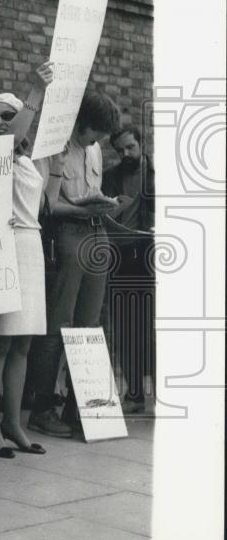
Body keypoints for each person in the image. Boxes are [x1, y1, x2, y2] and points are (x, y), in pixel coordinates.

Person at [25, 90, 122, 438]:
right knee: (58, 324)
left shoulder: (93, 149)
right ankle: (41, 408)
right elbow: (44, 205)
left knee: (89, 326)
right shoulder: (54, 146)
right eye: (94, 132)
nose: (97, 140)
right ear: (81, 123)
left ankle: (83, 409)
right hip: (66, 234)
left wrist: (103, 205)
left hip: (97, 235)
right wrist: (83, 209)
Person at [0, 62, 57, 459]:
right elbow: (12, 141)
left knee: (22, 343)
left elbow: (41, 204)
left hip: (29, 244)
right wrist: (36, 91)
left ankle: (13, 422)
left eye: (7, 116)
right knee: (0, 342)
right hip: (2, 246)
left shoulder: (28, 159)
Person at [102, 125, 155, 414]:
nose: (125, 154)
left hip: (152, 254)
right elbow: (102, 215)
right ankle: (134, 395)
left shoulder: (159, 174)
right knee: (125, 326)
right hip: (120, 255)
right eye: (120, 150)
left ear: (141, 144)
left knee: (154, 326)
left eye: (130, 147)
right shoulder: (111, 177)